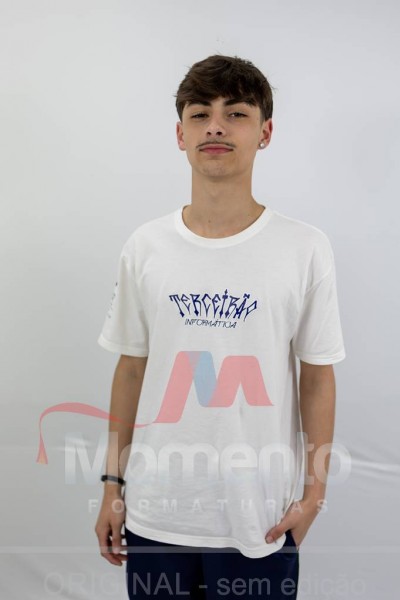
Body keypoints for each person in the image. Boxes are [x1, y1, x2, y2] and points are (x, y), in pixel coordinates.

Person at [95, 54, 346, 600]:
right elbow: (131, 369)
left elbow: (317, 376)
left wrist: (314, 495)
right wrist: (112, 484)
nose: (215, 126)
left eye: (236, 113)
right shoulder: (146, 246)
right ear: (180, 135)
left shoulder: (304, 248)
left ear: (265, 133)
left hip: (260, 520)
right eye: (199, 114)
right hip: (156, 514)